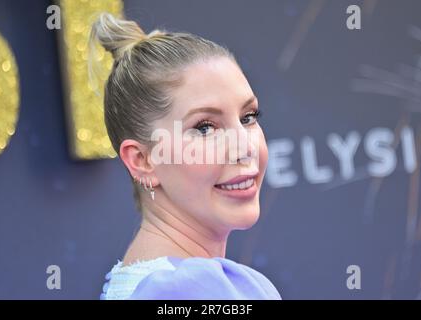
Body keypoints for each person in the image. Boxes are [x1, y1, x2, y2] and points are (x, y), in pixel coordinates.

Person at [88, 12, 281, 300]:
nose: (245, 148)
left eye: (248, 117)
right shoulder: (196, 291)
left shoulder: (136, 285)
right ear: (143, 160)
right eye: (205, 128)